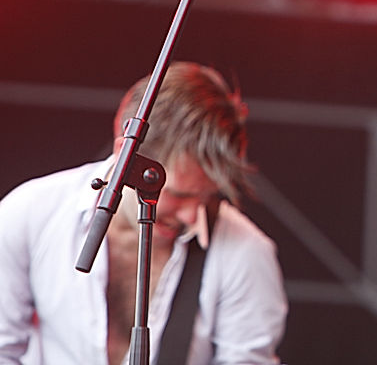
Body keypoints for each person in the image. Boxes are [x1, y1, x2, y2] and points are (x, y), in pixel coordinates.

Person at [0, 61, 287, 365]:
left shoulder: (247, 252)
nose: (192, 216)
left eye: (206, 196)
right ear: (125, 155)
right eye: (178, 195)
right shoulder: (30, 214)